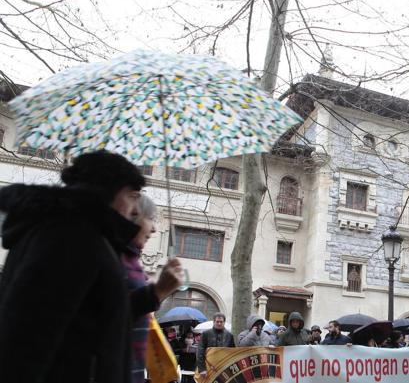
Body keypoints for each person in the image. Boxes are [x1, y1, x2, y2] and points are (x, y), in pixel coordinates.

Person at [0, 150, 145, 383]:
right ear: (109, 190)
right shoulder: (71, 237)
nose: (136, 210)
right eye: (132, 196)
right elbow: (28, 338)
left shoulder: (79, 234)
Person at [123, 194, 183, 383]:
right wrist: (157, 292)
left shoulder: (130, 259)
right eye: (150, 218)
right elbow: (107, 314)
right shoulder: (109, 256)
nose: (154, 228)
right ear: (131, 213)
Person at [197, 313, 235, 377]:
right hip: (208, 368)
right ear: (214, 322)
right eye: (217, 322)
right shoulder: (206, 334)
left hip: (224, 368)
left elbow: (232, 353)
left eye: (221, 322)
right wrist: (202, 369)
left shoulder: (229, 336)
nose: (219, 323)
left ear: (224, 322)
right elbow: (200, 351)